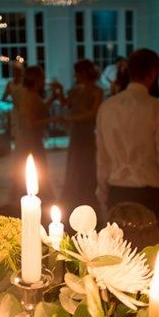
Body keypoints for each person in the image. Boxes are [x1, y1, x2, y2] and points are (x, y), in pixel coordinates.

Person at [96, 48, 159, 236]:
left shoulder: (107, 107)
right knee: (153, 250)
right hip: (150, 195)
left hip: (117, 192)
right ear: (154, 73)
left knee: (119, 251)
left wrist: (103, 194)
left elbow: (102, 159)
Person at [55, 59, 104, 213]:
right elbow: (65, 103)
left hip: (86, 131)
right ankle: (73, 195)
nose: (76, 75)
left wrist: (71, 118)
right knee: (74, 163)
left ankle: (87, 197)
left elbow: (92, 113)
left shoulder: (97, 91)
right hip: (76, 131)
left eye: (78, 73)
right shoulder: (77, 89)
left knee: (86, 163)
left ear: (85, 73)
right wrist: (59, 91)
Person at [9, 65, 58, 203]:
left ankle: (41, 201)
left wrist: (53, 97)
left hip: (34, 139)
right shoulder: (27, 96)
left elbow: (41, 109)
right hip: (29, 141)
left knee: (40, 170)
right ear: (36, 79)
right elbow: (31, 124)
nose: (44, 80)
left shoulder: (33, 94)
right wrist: (53, 119)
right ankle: (34, 201)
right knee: (35, 170)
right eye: (42, 77)